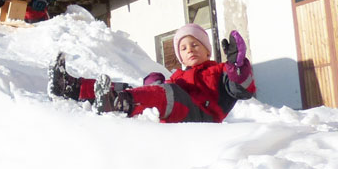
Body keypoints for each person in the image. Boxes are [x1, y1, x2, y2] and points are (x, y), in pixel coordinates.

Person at [50, 24, 255, 123]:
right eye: (183, 48)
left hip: (202, 118)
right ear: (180, 58)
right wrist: (153, 84)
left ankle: (117, 103)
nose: (190, 50)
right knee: (131, 88)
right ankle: (71, 87)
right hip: (179, 111)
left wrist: (237, 66)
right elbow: (163, 92)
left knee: (166, 91)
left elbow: (240, 89)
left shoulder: (219, 70)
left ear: (208, 50)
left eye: (195, 45)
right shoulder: (178, 77)